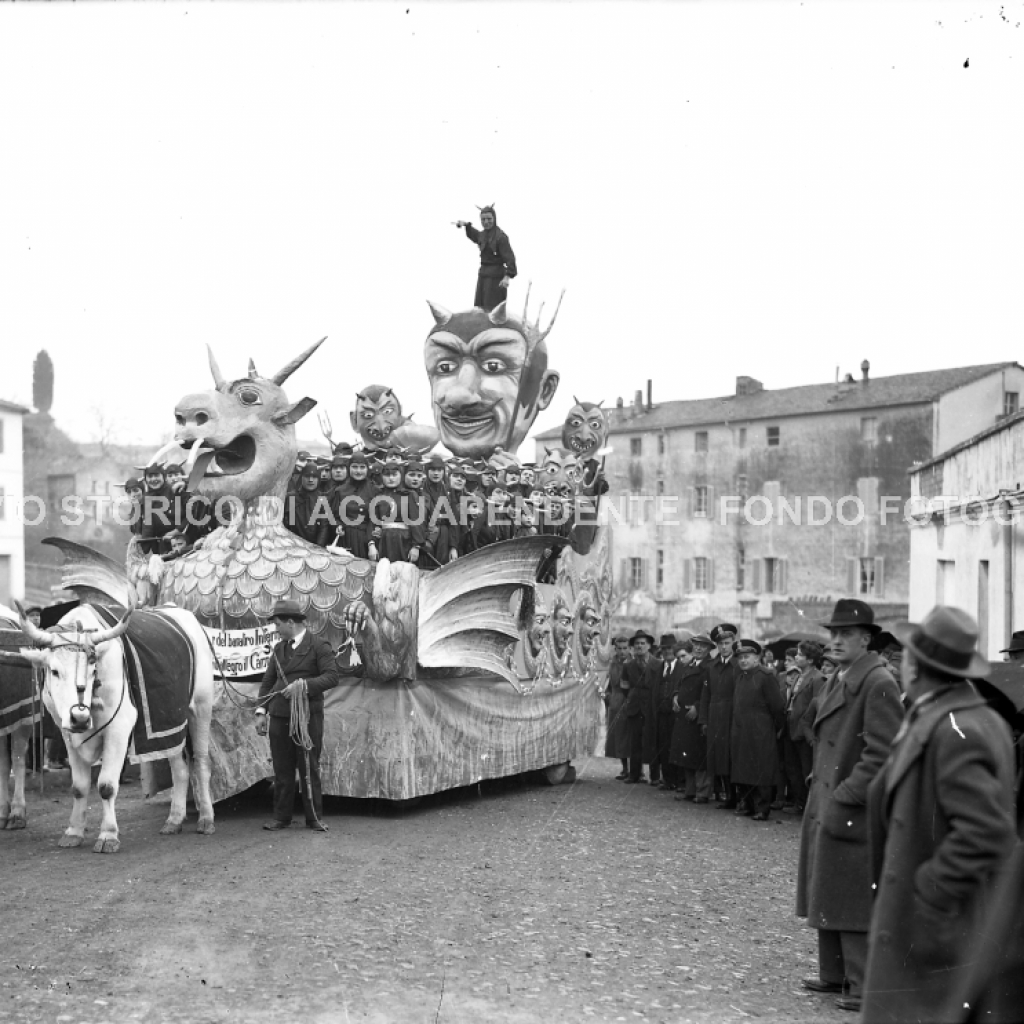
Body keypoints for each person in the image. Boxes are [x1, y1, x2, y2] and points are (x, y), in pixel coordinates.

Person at [862, 606, 1017, 1024]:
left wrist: (929, 891)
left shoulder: (955, 728)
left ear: (916, 666)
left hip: (938, 927)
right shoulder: (949, 715)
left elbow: (985, 832)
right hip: (934, 923)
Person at [795, 599, 903, 1014]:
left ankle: (861, 983)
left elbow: (883, 752)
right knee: (828, 886)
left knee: (852, 893)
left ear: (866, 639)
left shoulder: (877, 682)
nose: (835, 641)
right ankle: (834, 973)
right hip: (828, 797)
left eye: (846, 635)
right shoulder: (843, 677)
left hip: (852, 805)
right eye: (833, 634)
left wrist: (848, 795)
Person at [255, 601, 340, 831]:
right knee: (282, 769)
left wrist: (303, 685)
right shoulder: (278, 649)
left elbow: (332, 677)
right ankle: (281, 817)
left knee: (308, 767)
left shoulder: (319, 645)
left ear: (291, 622)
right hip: (280, 717)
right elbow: (268, 681)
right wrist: (261, 711)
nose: (276, 629)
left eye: (278, 624)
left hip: (307, 718)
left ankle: (313, 817)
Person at [730, 640, 786, 821]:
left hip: (761, 730)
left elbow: (777, 707)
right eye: (740, 658)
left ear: (757, 658)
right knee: (744, 767)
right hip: (742, 729)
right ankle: (747, 804)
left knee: (761, 768)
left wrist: (774, 728)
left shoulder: (766, 676)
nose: (743, 661)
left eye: (747, 657)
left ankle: (762, 808)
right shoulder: (741, 677)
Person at [783, 640, 825, 814]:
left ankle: (808, 805)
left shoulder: (817, 678)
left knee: (805, 768)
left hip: (804, 730)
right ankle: (799, 803)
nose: (796, 657)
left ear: (810, 660)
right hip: (791, 728)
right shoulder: (799, 675)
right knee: (793, 768)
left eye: (800, 655)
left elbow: (817, 706)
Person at [700, 623, 739, 808]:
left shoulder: (738, 665)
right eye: (720, 644)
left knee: (732, 757)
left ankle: (735, 797)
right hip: (715, 716)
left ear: (734, 643)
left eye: (727, 643)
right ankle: (727, 795)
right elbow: (705, 694)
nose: (724, 647)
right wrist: (704, 720)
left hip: (732, 715)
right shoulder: (711, 666)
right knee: (718, 757)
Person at [671, 635, 713, 803]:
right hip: (684, 715)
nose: (698, 649)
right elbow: (681, 685)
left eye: (702, 646)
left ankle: (702, 792)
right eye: (695, 645)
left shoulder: (709, 666)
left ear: (709, 648)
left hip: (698, 715)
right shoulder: (691, 665)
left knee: (700, 755)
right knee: (687, 754)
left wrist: (697, 706)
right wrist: (675, 696)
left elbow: (709, 692)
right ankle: (690, 790)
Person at [454, 205, 517, 311]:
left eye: (489, 219)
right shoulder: (483, 235)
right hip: (483, 275)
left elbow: (510, 259)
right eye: (483, 219)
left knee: (492, 310)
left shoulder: (501, 237)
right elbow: (476, 235)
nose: (486, 222)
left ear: (494, 218)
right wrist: (466, 225)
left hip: (496, 278)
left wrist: (507, 277)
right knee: (479, 308)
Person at [622, 629, 661, 784]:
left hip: (652, 707)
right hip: (635, 707)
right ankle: (634, 774)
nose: (639, 646)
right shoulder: (628, 666)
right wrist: (633, 699)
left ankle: (655, 776)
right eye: (637, 643)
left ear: (649, 645)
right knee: (635, 742)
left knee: (653, 741)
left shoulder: (658, 664)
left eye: (643, 643)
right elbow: (624, 687)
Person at [652, 634, 681, 790]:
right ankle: (667, 779)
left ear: (675, 649)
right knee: (663, 746)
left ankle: (677, 780)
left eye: (669, 648)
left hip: (675, 715)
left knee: (675, 747)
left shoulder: (682, 668)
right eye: (664, 648)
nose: (667, 651)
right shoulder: (659, 668)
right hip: (661, 715)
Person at [604, 636, 631, 779]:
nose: (622, 651)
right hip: (615, 702)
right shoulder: (612, 663)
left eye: (625, 648)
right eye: (619, 648)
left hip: (628, 701)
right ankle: (624, 768)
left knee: (629, 736)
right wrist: (608, 697)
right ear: (615, 649)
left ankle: (635, 770)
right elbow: (607, 683)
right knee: (618, 736)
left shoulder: (633, 662)